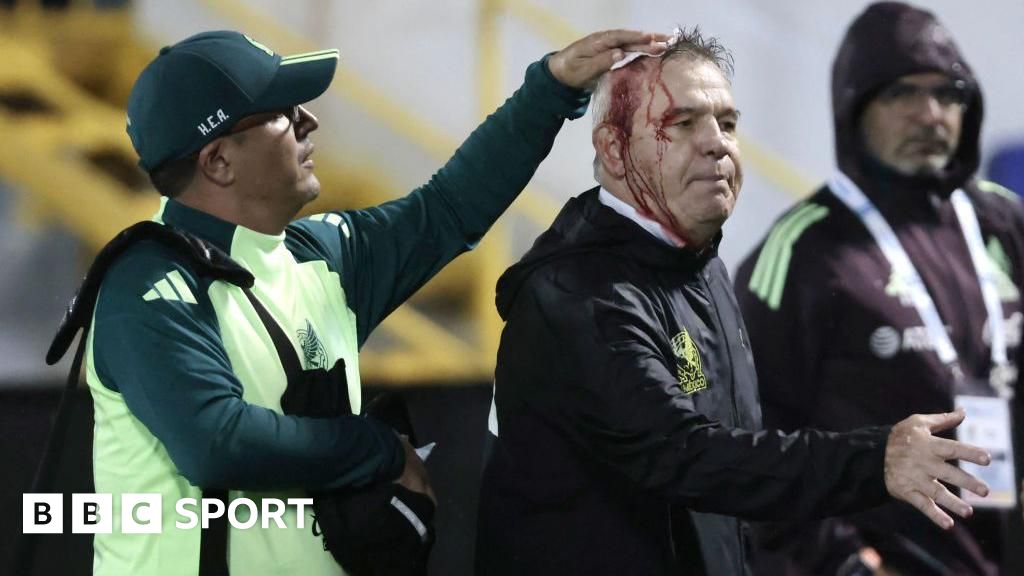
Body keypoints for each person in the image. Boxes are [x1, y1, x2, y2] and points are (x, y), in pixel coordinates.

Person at [74, 28, 665, 576]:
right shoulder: (147, 284)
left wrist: (551, 88)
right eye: (282, 113)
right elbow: (215, 442)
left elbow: (448, 210)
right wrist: (379, 451)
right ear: (219, 161)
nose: (308, 121)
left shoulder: (319, 256)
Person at [475, 26, 993, 576]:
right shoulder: (579, 296)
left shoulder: (695, 263)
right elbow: (692, 459)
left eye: (727, 123)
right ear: (613, 148)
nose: (717, 143)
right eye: (682, 123)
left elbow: (737, 469)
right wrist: (877, 459)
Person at [733, 3, 1024, 575]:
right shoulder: (801, 251)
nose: (930, 115)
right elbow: (755, 441)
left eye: (948, 94)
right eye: (901, 95)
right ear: (853, 108)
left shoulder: (1002, 222)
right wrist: (843, 563)